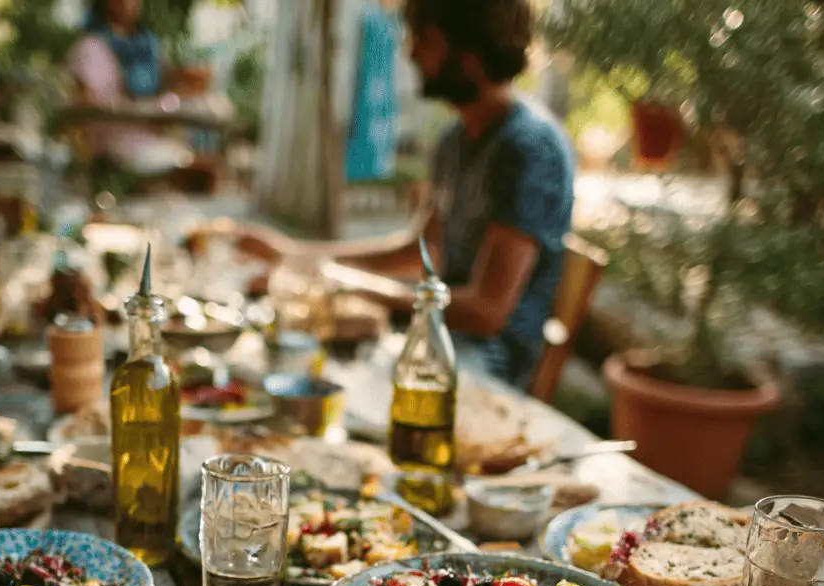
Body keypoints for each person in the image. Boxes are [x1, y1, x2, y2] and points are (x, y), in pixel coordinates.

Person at [240, 0, 576, 388]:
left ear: (470, 51)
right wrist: (296, 255)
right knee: (277, 351)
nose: (410, 51)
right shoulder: (455, 140)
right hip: (429, 341)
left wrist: (340, 282)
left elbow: (486, 312)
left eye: (424, 38)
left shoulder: (529, 150)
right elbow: (418, 251)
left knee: (316, 375)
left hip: (482, 367)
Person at [68, 0, 216, 192]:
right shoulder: (90, 47)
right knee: (197, 172)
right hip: (113, 150)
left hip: (151, 143)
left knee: (206, 169)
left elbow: (167, 93)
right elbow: (84, 107)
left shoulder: (147, 47)